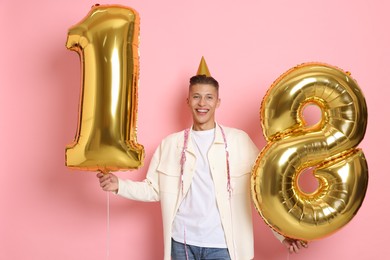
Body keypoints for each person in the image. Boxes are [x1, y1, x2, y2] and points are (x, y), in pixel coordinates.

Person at [97, 58, 307, 259]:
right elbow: (153, 189)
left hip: (225, 246)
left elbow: (262, 193)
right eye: (196, 96)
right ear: (188, 101)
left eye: (209, 97)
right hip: (182, 243)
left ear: (218, 102)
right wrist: (118, 185)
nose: (202, 103)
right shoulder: (170, 145)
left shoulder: (239, 141)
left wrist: (282, 234)